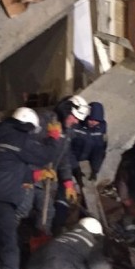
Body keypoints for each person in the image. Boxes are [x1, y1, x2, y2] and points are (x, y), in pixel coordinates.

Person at [0, 107, 57, 269]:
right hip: (0, 197)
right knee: (9, 242)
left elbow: (10, 167)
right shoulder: (21, 138)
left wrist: (37, 175)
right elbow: (46, 155)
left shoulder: (0, 135)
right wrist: (53, 138)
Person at [26, 95, 89, 235]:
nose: (76, 121)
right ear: (66, 111)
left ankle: (40, 243)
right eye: (75, 117)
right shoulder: (43, 120)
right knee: (22, 209)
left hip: (46, 181)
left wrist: (68, 182)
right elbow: (25, 147)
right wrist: (35, 171)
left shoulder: (67, 131)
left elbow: (64, 158)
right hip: (28, 177)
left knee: (47, 214)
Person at [71, 101, 107, 183]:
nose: (93, 122)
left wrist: (94, 170)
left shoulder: (101, 129)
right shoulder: (77, 125)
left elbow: (99, 152)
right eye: (91, 119)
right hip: (71, 161)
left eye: (97, 120)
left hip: (85, 164)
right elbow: (68, 147)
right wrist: (74, 166)